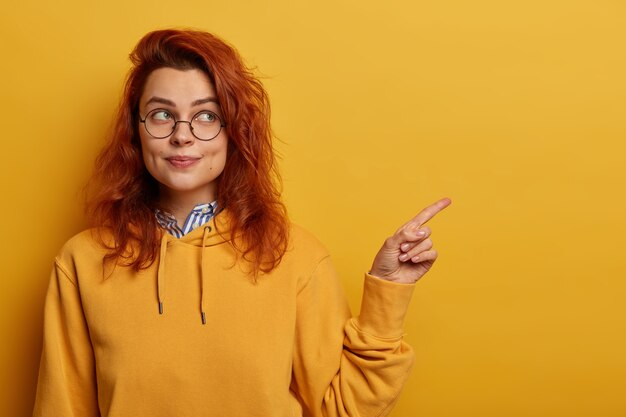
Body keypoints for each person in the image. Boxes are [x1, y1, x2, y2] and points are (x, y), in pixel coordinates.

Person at [33, 29, 451, 417]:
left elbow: (343, 408)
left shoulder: (296, 257)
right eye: (161, 114)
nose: (182, 135)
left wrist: (389, 290)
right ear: (135, 131)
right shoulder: (82, 261)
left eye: (206, 116)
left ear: (233, 131)